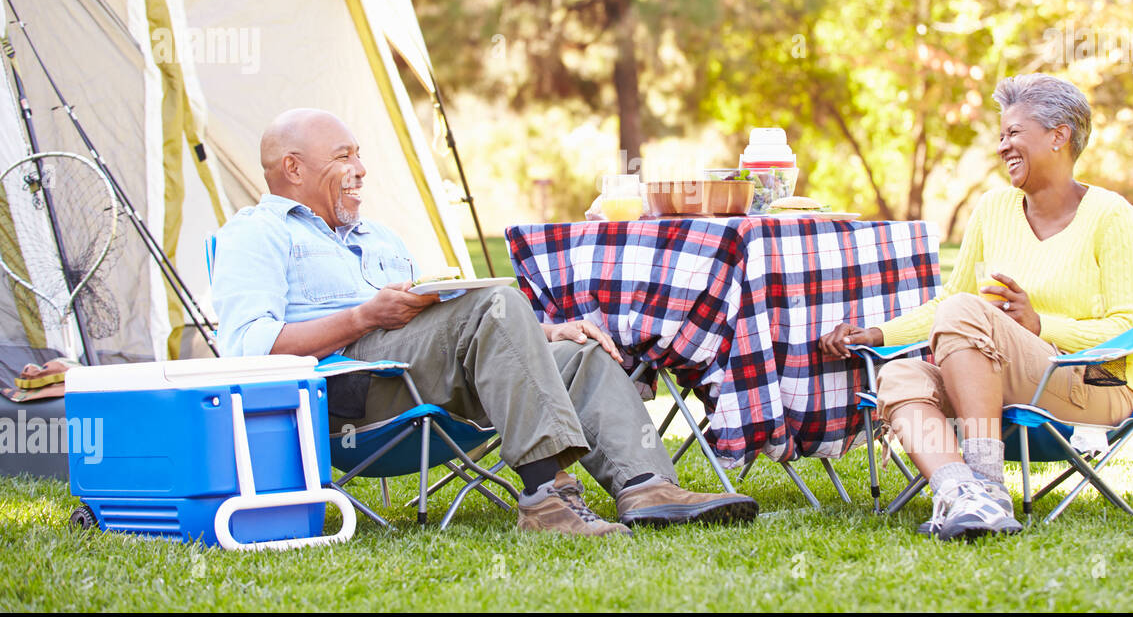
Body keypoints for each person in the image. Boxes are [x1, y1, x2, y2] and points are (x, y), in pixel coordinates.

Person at [212, 108, 758, 537]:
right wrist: (363, 315)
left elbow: (453, 327)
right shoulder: (257, 234)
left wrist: (545, 333)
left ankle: (646, 487)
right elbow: (251, 350)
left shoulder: (377, 236)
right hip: (351, 391)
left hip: (423, 371)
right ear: (293, 168)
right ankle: (547, 501)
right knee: (492, 305)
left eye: (359, 155)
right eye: (343, 157)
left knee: (577, 350)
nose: (360, 169)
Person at [820, 74, 1133, 540]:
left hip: (1093, 384)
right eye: (1000, 136)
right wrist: (877, 335)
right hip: (999, 380)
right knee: (899, 376)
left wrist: (1040, 325)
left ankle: (987, 483)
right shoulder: (994, 208)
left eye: (1014, 133)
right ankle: (962, 493)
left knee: (965, 310)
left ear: (1060, 136)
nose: (1002, 147)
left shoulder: (1110, 215)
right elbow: (947, 302)